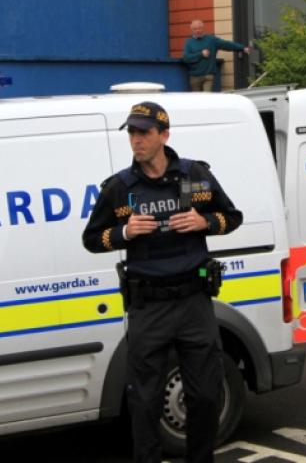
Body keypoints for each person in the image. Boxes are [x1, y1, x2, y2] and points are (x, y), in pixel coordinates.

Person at [82, 101, 243, 463]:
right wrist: (124, 231)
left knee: (204, 396)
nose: (136, 140)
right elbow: (92, 239)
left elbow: (231, 216)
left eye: (144, 132)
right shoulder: (119, 188)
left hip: (194, 303)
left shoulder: (195, 176)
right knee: (144, 401)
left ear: (164, 135)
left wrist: (206, 223)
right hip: (149, 307)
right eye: (132, 133)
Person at [182, 19, 251, 92]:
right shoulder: (189, 42)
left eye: (199, 28)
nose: (198, 30)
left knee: (207, 98)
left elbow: (226, 44)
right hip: (195, 77)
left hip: (208, 75)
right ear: (192, 30)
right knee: (197, 100)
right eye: (195, 29)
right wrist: (201, 54)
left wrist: (242, 48)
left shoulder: (211, 40)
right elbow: (186, 58)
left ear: (203, 28)